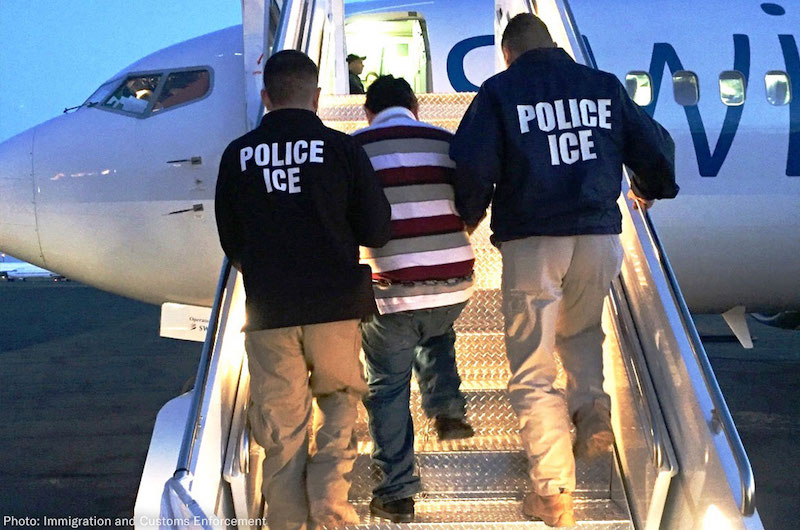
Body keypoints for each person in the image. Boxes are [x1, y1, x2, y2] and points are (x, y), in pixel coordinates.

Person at [450, 14, 678, 527]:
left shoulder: (500, 92)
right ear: (554, 44)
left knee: (533, 367)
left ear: (507, 54)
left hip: (535, 241)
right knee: (581, 334)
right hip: (599, 238)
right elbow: (655, 143)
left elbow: (472, 162)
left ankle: (553, 492)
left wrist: (469, 214)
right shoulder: (603, 86)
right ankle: (591, 412)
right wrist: (649, 187)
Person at [214, 50, 391, 530]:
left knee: (281, 430)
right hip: (335, 305)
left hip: (270, 312)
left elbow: (232, 241)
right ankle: (331, 508)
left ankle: (288, 522)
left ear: (266, 96)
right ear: (316, 97)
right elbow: (377, 229)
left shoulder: (237, 155)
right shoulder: (342, 149)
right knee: (339, 405)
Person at [353, 75, 476, 523]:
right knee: (434, 327)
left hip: (392, 288)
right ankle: (447, 410)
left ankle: (396, 491)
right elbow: (472, 196)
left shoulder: (355, 147)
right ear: (415, 107)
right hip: (455, 281)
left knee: (387, 387)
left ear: (368, 112)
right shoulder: (446, 141)